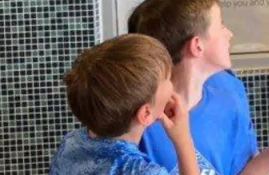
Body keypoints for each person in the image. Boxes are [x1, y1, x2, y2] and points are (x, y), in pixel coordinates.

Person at [129, 0, 269, 175]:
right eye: (221, 25)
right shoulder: (139, 117)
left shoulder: (228, 87)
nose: (229, 34)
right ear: (197, 46)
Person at [50, 33, 201, 175]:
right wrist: (183, 140)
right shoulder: (141, 171)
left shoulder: (71, 143)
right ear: (146, 114)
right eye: (168, 78)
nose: (172, 82)